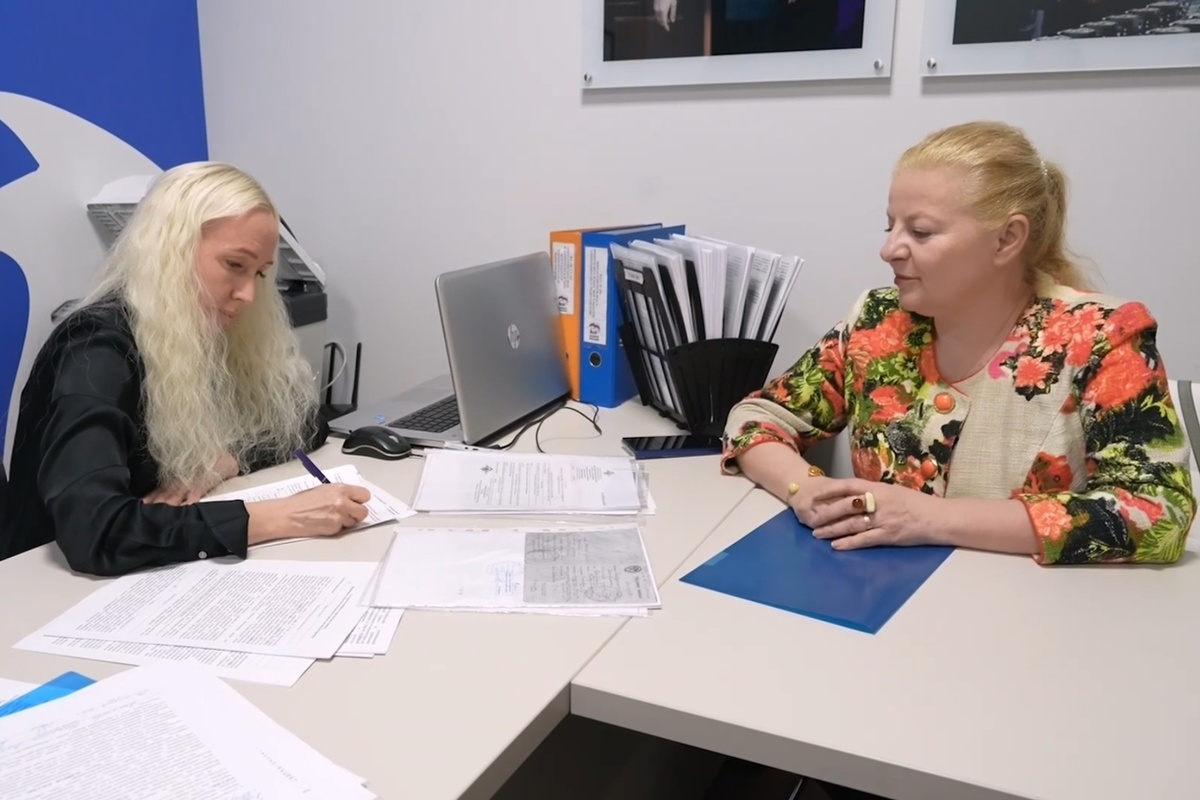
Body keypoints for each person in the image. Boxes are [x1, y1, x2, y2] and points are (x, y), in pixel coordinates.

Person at [723, 120, 1195, 569]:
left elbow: (1159, 511)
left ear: (1007, 239)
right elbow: (758, 417)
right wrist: (803, 487)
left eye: (920, 232)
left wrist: (929, 519)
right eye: (890, 226)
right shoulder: (877, 321)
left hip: (1031, 613)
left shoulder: (1101, 336)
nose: (889, 250)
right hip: (877, 601)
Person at [1, 162, 371, 575]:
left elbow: (304, 423)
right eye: (235, 265)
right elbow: (94, 532)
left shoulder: (203, 330)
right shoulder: (94, 350)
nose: (249, 294)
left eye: (260, 274)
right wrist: (277, 517)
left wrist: (227, 461)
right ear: (170, 251)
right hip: (41, 587)